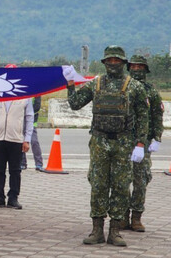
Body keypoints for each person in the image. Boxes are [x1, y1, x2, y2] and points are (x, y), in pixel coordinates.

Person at [66, 45, 148, 247]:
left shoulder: (134, 86)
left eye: (117, 60)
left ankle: (115, 231)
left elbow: (143, 116)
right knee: (98, 185)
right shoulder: (96, 84)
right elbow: (76, 103)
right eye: (109, 60)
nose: (113, 64)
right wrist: (69, 84)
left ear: (123, 63)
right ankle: (96, 230)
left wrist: (140, 143)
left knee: (121, 187)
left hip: (123, 142)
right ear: (104, 63)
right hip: (99, 142)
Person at [125, 55, 163, 232]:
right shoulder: (123, 87)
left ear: (146, 70)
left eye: (140, 67)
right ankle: (122, 216)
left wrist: (157, 137)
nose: (137, 70)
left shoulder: (151, 91)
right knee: (121, 181)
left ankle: (137, 217)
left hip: (143, 143)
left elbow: (157, 115)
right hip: (123, 141)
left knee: (141, 181)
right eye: (133, 66)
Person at [0, 94, 34, 210]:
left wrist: (27, 139)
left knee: (15, 170)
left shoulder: (24, 97)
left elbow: (29, 118)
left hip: (16, 138)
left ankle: (13, 197)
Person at [21, 96, 44, 171]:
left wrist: (28, 111)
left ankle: (39, 163)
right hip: (20, 119)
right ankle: (22, 163)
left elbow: (37, 106)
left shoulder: (36, 92)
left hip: (31, 120)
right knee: (20, 141)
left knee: (34, 141)